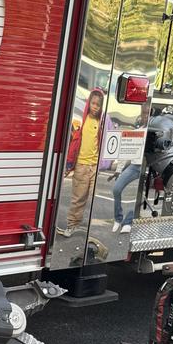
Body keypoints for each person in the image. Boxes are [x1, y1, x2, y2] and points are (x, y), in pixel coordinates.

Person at [56, 88, 105, 236]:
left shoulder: (101, 122)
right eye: (93, 103)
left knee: (94, 199)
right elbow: (73, 145)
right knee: (78, 198)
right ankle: (72, 224)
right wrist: (69, 165)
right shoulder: (82, 122)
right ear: (89, 103)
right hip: (81, 166)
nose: (95, 107)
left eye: (98, 104)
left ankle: (91, 228)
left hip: (94, 166)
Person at [110, 161, 142, 233]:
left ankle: (128, 221)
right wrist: (119, 170)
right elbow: (126, 151)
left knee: (139, 193)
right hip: (135, 165)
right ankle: (118, 218)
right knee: (116, 189)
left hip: (151, 165)